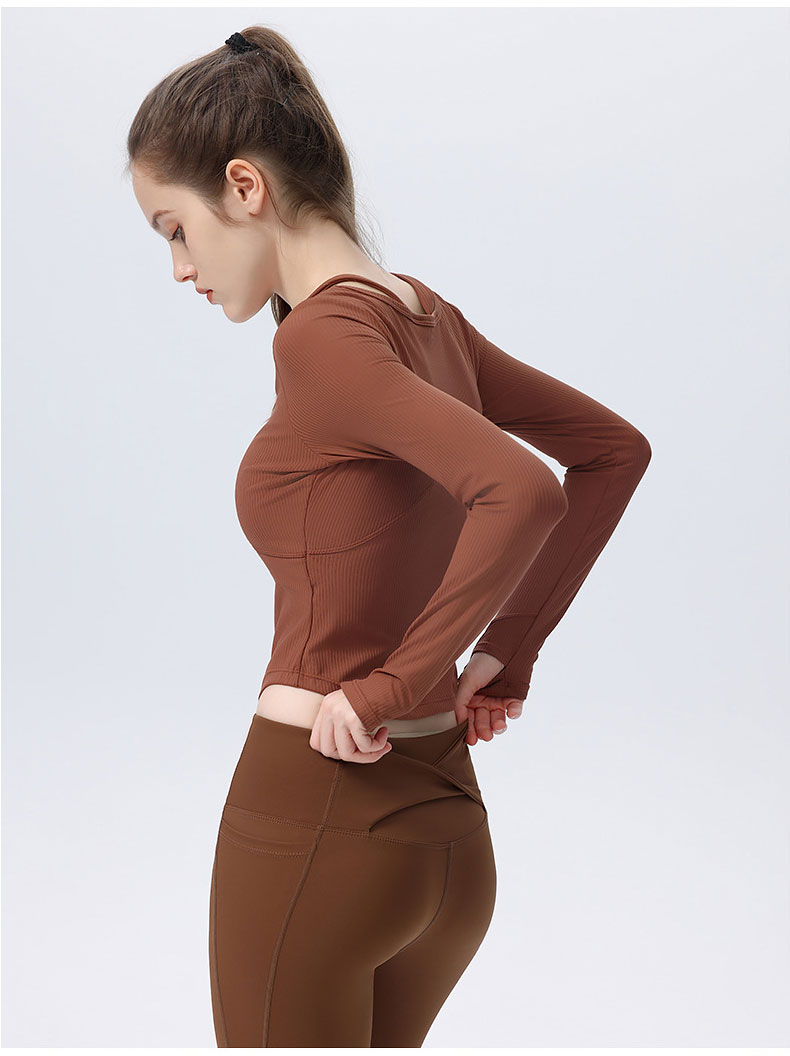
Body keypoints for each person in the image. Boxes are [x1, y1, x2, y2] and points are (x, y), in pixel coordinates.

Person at [126, 25, 651, 1048]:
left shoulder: (323, 338)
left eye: (174, 229)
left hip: (320, 812)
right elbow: (611, 454)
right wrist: (505, 654)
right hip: (448, 834)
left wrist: (388, 685)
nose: (179, 267)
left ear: (244, 187)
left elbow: (520, 490)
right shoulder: (429, 320)